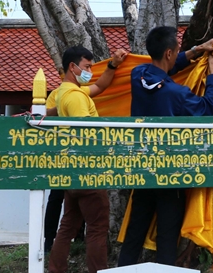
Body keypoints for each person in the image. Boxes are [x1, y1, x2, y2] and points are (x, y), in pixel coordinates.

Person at [117, 28, 213, 267]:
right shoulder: (177, 93)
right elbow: (208, 108)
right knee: (167, 237)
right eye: (176, 51)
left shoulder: (137, 75)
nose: (177, 55)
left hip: (142, 168)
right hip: (170, 171)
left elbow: (165, 70)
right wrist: (212, 72)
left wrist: (197, 50)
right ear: (168, 53)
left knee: (135, 232)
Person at [47, 46, 127, 273]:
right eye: (87, 67)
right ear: (73, 67)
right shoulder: (75, 97)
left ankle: (56, 269)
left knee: (67, 226)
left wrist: (112, 65)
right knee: (97, 228)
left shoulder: (65, 92)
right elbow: (86, 135)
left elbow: (100, 86)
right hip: (87, 170)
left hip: (71, 171)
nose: (90, 71)